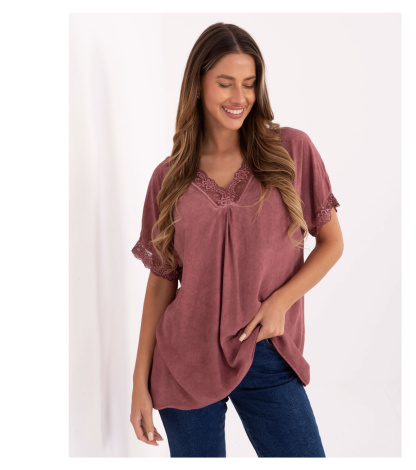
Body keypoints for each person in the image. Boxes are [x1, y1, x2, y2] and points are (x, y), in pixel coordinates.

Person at [130, 22, 343, 458]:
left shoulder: (291, 150)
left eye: (249, 83)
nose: (239, 97)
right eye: (225, 83)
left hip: (266, 351)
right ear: (198, 85)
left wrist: (280, 302)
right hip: (184, 361)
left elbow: (332, 242)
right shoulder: (167, 178)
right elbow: (161, 284)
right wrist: (139, 383)